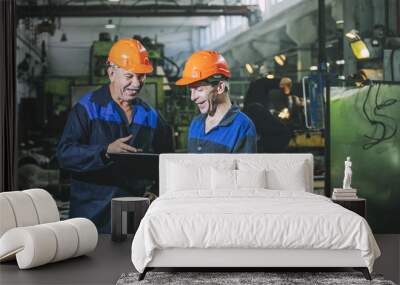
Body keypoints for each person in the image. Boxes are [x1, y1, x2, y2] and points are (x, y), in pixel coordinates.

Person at [57, 39, 173, 233]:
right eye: (129, 76)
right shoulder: (88, 109)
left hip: (136, 217)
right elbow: (64, 154)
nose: (136, 84)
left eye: (141, 76)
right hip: (92, 216)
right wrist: (105, 151)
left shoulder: (151, 117)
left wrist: (155, 191)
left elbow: (168, 162)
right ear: (111, 73)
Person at [175, 50, 256, 153]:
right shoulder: (196, 123)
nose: (192, 97)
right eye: (191, 90)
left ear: (220, 87)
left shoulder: (242, 127)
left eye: (199, 89)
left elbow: (243, 168)